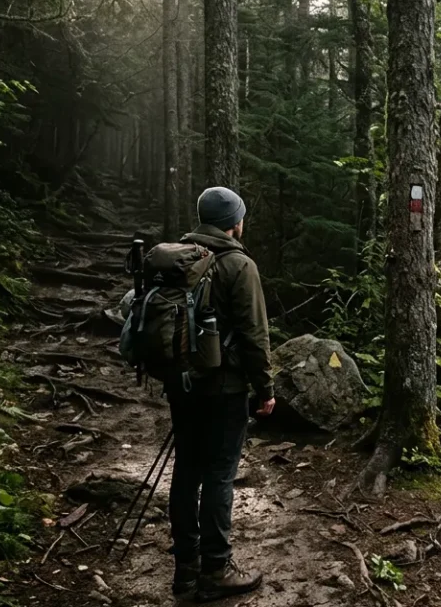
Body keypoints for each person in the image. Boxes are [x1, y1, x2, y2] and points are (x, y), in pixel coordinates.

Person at [168, 187, 276, 602]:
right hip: (224, 389)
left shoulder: (178, 257)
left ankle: (184, 568)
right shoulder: (237, 264)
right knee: (218, 474)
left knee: (187, 470)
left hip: (181, 385)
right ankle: (215, 568)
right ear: (235, 222)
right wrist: (265, 388)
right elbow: (254, 334)